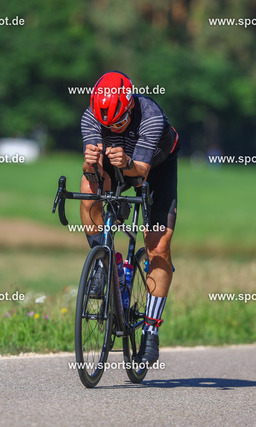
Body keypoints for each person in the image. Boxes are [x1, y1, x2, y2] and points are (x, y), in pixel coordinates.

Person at [80, 70, 179, 364]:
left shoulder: (150, 115)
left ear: (130, 105)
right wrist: (90, 166)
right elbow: (95, 173)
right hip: (117, 161)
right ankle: (104, 261)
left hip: (156, 167)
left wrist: (126, 162)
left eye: (119, 122)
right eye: (107, 125)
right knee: (87, 188)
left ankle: (151, 329)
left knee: (158, 247)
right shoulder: (91, 116)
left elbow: (141, 173)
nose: (112, 128)